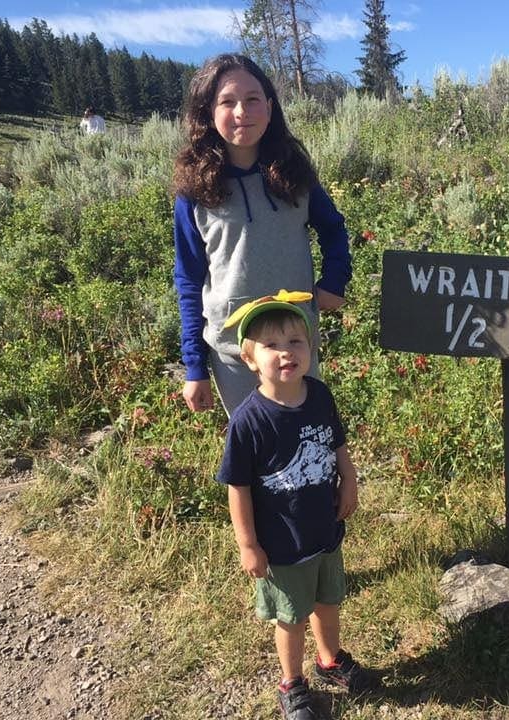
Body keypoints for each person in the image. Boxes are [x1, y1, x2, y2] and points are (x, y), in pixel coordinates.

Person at [219, 291, 375, 720]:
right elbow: (238, 487)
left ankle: (330, 661)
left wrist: (350, 480)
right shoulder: (248, 421)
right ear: (250, 359)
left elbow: (337, 443)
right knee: (291, 616)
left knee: (328, 601)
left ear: (310, 349)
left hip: (325, 528)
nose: (286, 352)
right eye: (272, 345)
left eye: (296, 341)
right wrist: (248, 545)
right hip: (282, 542)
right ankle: (293, 684)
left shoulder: (319, 395)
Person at [172, 53, 351, 416]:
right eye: (227, 101)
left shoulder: (295, 176)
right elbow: (189, 278)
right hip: (233, 352)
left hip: (295, 343)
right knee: (254, 454)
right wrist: (194, 366)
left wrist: (334, 281)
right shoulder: (194, 193)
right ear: (208, 113)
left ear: (269, 108)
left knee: (305, 440)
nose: (242, 111)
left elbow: (333, 229)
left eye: (253, 99)